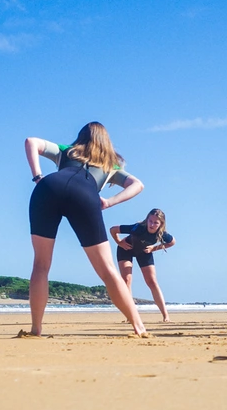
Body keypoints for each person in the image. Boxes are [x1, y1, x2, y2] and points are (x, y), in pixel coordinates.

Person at [24, 122, 147, 336]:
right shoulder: (110, 165)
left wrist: (37, 177)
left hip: (47, 189)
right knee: (108, 270)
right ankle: (139, 326)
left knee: (41, 265)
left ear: (80, 137)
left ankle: (36, 328)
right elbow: (137, 184)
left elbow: (31, 142)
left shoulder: (66, 151)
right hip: (84, 195)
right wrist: (109, 202)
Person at [110, 209, 176, 323]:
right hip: (126, 249)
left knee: (152, 282)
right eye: (150, 221)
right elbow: (113, 229)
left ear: (161, 224)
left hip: (145, 252)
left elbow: (172, 242)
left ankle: (166, 316)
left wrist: (154, 248)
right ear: (147, 219)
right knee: (126, 280)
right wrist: (119, 242)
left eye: (156, 222)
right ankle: (130, 315)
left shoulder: (162, 234)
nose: (152, 224)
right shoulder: (138, 227)